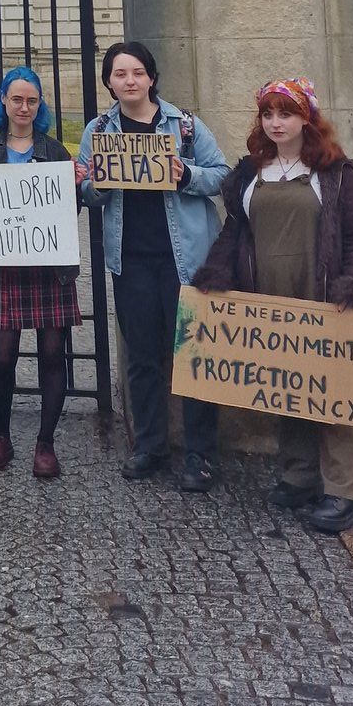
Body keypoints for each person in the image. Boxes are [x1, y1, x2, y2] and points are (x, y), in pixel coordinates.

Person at [194, 78, 353, 534]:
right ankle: (299, 476)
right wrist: (215, 276)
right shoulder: (249, 172)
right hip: (270, 296)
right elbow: (235, 232)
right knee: (290, 388)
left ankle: (342, 491)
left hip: (321, 295)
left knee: (334, 395)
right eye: (268, 114)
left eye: (286, 114)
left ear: (306, 119)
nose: (276, 123)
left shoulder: (336, 173)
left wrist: (351, 286)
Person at [77, 40, 229, 491]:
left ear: (151, 78)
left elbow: (220, 173)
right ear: (109, 81)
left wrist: (185, 173)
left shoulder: (184, 126)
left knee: (194, 355)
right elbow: (87, 194)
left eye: (137, 73)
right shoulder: (99, 130)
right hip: (132, 260)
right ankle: (150, 445)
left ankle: (200, 454)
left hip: (185, 261)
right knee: (143, 357)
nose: (129, 81)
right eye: (120, 74)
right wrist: (93, 183)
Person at [0, 67, 82, 480]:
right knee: (2, 357)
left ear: (41, 105)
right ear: (3, 100)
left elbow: (65, 214)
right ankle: (1, 436)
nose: (24, 107)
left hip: (49, 268)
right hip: (6, 268)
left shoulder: (56, 152)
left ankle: (46, 443)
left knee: (53, 354)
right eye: (16, 99)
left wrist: (74, 186)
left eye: (31, 100)